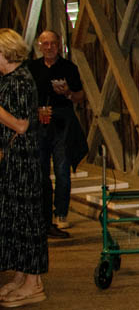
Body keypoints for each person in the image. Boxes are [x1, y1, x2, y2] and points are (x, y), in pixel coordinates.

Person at [0, 29, 48, 307]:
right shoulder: (8, 79)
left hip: (24, 160)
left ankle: (34, 283)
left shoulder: (20, 80)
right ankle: (21, 276)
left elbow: (21, 124)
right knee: (15, 219)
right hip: (12, 160)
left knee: (28, 220)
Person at [26, 30, 86, 238]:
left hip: (62, 122)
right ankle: (43, 216)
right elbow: (26, 96)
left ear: (59, 45)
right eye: (45, 43)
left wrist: (67, 92)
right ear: (39, 46)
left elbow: (80, 96)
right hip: (39, 122)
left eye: (52, 43)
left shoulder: (69, 68)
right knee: (41, 170)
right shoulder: (32, 68)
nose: (49, 47)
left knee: (62, 169)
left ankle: (61, 213)